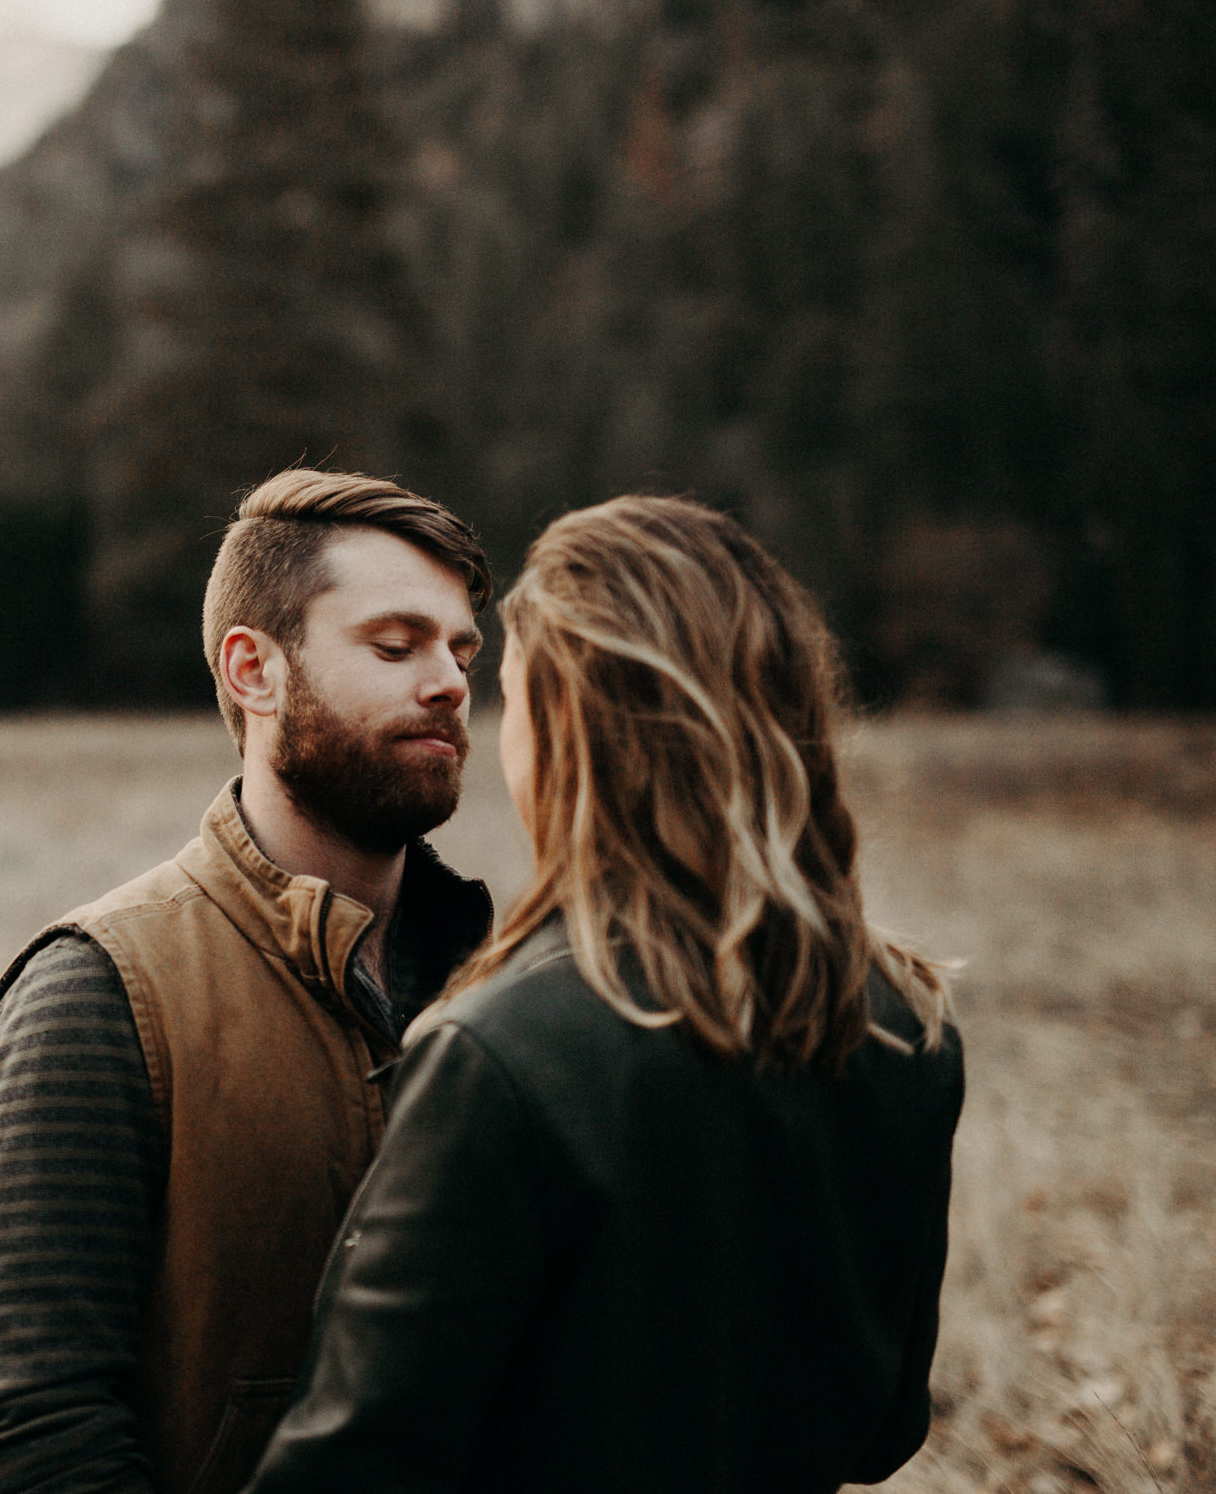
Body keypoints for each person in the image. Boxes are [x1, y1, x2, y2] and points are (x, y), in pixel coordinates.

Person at [244, 494, 965, 1494]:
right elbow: (885, 1426)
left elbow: (353, 1469)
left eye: (511, 693)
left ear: (569, 724)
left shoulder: (505, 1055)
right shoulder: (902, 1024)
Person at [0, 470, 498, 1494]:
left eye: (462, 650)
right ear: (255, 670)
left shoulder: (505, 987)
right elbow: (34, 1423)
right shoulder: (99, 993)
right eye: (395, 645)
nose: (451, 682)